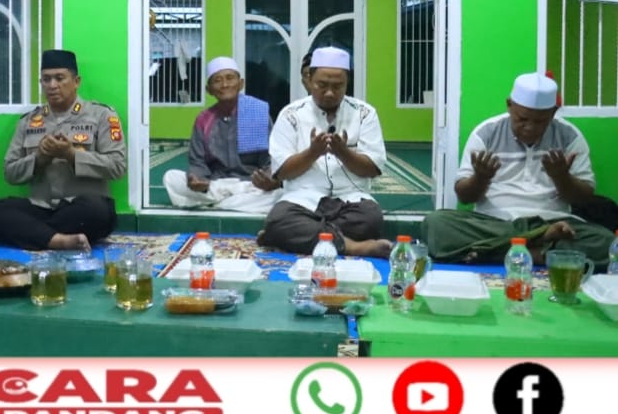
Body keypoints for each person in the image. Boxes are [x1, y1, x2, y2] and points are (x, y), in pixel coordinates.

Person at [422, 72, 612, 267]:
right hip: (494, 223)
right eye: (522, 119)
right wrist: (481, 178)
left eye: (540, 122)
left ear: (553, 112)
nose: (530, 127)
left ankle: (494, 252)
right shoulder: (486, 133)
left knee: (606, 242)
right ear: (509, 105)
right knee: (436, 224)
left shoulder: (569, 137)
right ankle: (539, 247)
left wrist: (561, 176)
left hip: (553, 220)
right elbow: (465, 197)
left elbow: (583, 198)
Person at [0, 50, 127, 250]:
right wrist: (39, 158)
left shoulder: (102, 115)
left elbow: (117, 166)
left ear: (76, 81)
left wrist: (71, 155)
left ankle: (33, 234)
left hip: (81, 208)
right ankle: (59, 240)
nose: (52, 85)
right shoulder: (29, 121)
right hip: (41, 207)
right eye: (46, 79)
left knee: (98, 213)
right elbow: (10, 173)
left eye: (59, 78)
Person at [256, 47, 392, 257]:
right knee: (279, 218)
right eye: (322, 85)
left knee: (370, 219)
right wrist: (312, 153)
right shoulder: (291, 115)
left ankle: (290, 237)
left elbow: (372, 169)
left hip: (350, 200)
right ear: (309, 80)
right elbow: (282, 172)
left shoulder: (365, 114)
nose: (329, 93)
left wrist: (344, 153)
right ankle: (354, 247)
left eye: (337, 86)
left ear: (347, 83)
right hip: (302, 200)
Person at [163, 56, 282, 213]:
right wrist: (196, 178)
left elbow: (271, 160)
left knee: (280, 193)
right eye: (217, 80)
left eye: (230, 78)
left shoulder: (257, 112)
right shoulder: (204, 119)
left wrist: (269, 179)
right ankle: (230, 203)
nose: (225, 85)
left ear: (241, 83)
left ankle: (217, 203)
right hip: (216, 184)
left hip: (251, 185)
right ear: (209, 90)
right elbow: (197, 161)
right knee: (171, 178)